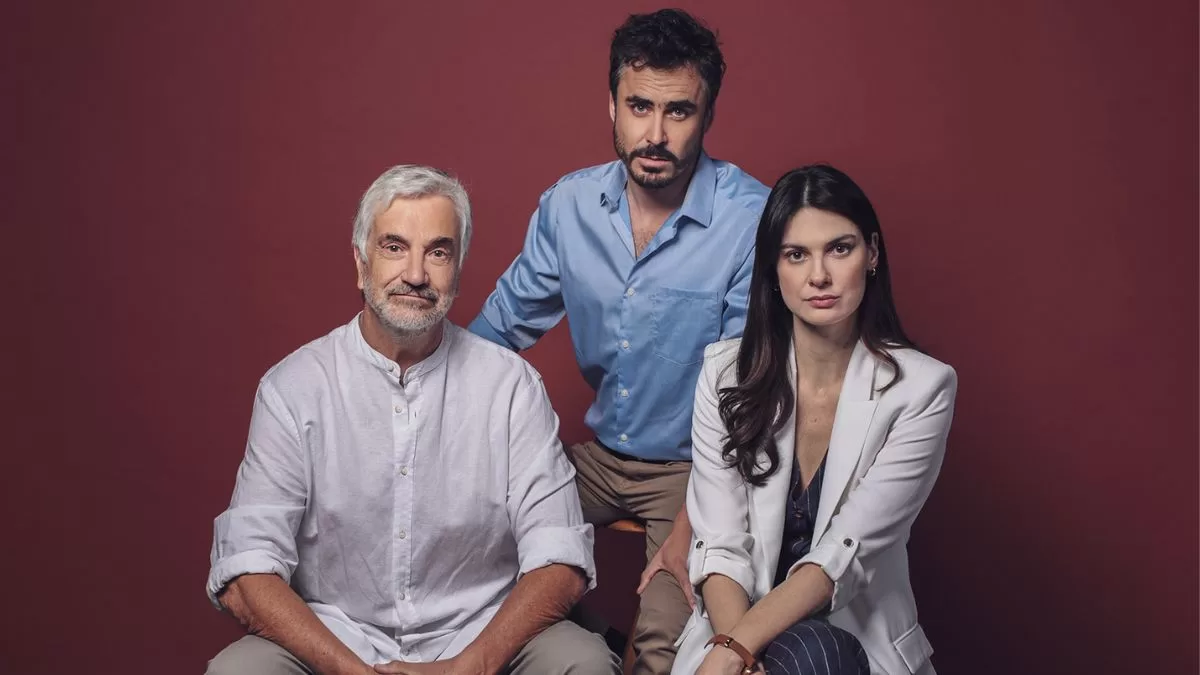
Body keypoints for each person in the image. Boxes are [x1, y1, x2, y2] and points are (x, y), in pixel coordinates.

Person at [205, 164, 620, 675]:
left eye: (438, 252)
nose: (417, 274)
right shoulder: (293, 389)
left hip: (479, 633)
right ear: (361, 263)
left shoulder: (512, 387)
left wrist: (468, 668)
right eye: (394, 247)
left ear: (458, 269)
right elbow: (247, 568)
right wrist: (350, 671)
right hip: (336, 637)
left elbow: (560, 558)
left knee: (583, 663)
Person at [468, 10, 768, 673]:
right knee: (465, 549)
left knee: (661, 644)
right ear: (611, 105)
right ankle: (599, 641)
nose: (655, 134)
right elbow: (496, 334)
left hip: (698, 470)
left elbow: (745, 396)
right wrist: (410, 401)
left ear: (708, 115)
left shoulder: (751, 221)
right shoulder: (568, 206)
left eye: (678, 111)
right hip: (598, 459)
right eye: (639, 107)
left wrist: (691, 528)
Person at [672, 165, 957, 675]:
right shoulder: (723, 374)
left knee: (819, 651)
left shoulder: (922, 389)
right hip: (734, 624)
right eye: (796, 254)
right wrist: (737, 655)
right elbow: (719, 544)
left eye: (839, 249)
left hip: (852, 642)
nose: (818, 275)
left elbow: (845, 554)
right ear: (773, 269)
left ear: (872, 253)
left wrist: (736, 651)